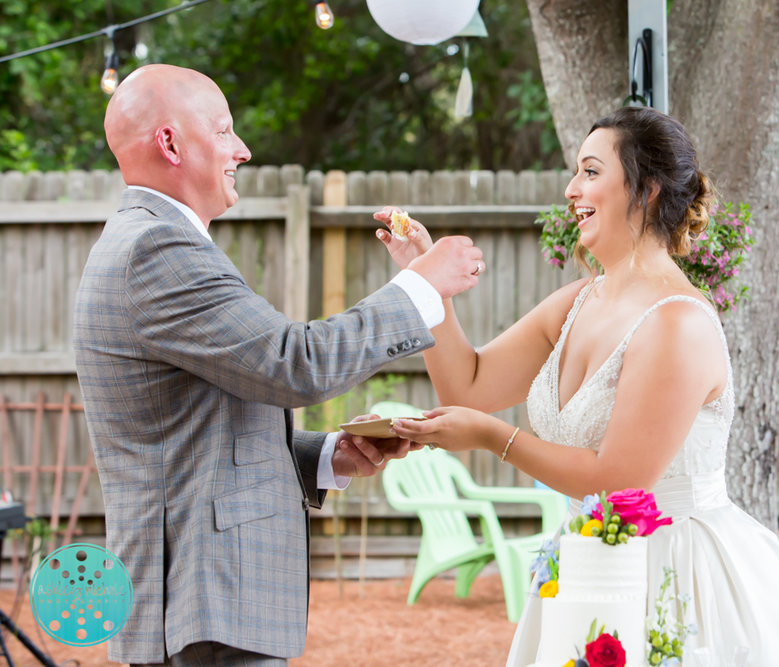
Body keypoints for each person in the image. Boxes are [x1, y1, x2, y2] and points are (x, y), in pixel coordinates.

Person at [384, 107, 779, 666]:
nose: (572, 188)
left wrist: (492, 437)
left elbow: (619, 482)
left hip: (679, 576)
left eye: (591, 172)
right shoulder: (576, 302)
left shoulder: (678, 323)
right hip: (590, 565)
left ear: (645, 190)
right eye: (576, 172)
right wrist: (425, 284)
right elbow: (467, 385)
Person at [72, 64, 485, 666]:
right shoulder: (156, 248)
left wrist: (326, 457)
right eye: (222, 132)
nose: (241, 149)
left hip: (203, 602)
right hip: (203, 600)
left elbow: (193, 436)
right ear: (170, 144)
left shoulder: (151, 242)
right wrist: (420, 289)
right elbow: (296, 364)